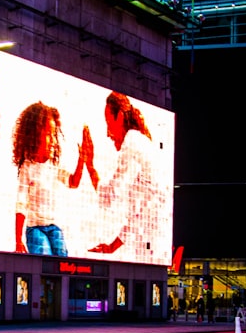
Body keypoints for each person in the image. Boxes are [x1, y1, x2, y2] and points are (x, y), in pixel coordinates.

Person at [80, 92, 158, 260]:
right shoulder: (142, 142)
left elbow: (110, 197)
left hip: (149, 248)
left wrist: (90, 164)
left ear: (120, 117)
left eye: (109, 123)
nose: (108, 133)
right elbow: (138, 216)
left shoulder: (132, 142)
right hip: (151, 247)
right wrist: (112, 247)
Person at [12, 102, 90, 256]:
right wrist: (18, 240)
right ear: (34, 136)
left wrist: (82, 160)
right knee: (44, 255)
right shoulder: (27, 168)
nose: (53, 141)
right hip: (35, 229)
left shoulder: (53, 165)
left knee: (62, 257)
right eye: (48, 134)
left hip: (53, 227)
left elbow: (73, 182)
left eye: (54, 134)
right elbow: (20, 205)